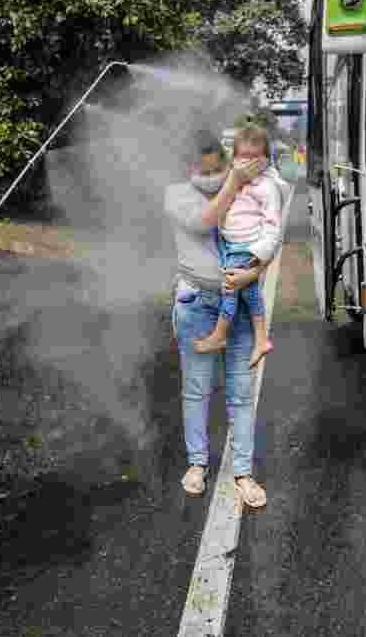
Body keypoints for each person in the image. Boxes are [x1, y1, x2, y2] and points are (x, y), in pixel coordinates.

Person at [164, 130, 275, 509]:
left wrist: (254, 272)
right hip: (196, 302)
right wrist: (234, 182)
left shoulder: (249, 187)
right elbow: (205, 222)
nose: (209, 172)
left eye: (218, 164)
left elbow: (265, 234)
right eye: (202, 165)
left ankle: (243, 472)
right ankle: (197, 464)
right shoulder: (176, 193)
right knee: (197, 389)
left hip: (240, 302)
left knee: (241, 393)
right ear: (188, 165)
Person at [193, 125, 283, 370]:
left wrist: (257, 258)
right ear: (234, 159)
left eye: (255, 158)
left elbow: (273, 227)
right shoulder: (235, 180)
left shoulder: (267, 187)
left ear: (266, 160)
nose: (248, 164)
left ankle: (220, 334)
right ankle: (262, 339)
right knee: (250, 293)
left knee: (230, 290)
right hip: (232, 245)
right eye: (243, 157)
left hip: (248, 247)